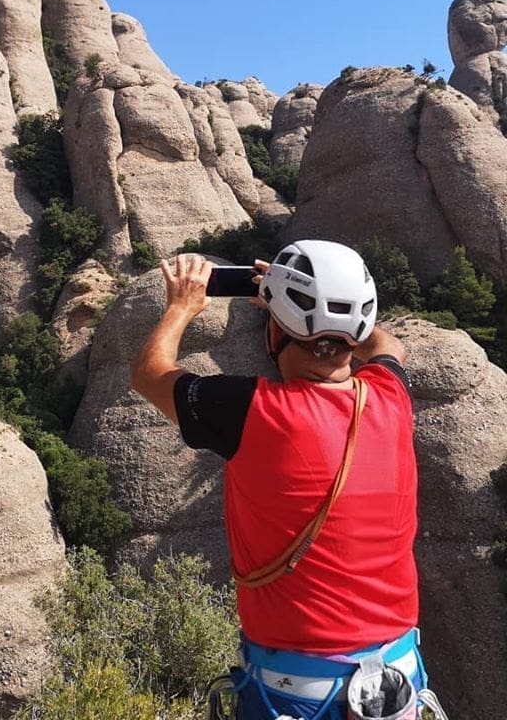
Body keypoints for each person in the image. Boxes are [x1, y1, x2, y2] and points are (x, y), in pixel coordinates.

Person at [130, 240, 442, 720]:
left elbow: (150, 374)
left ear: (275, 329)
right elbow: (387, 346)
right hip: (399, 687)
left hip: (294, 697)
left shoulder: (252, 410)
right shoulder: (390, 396)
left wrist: (182, 305)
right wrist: (321, 307)